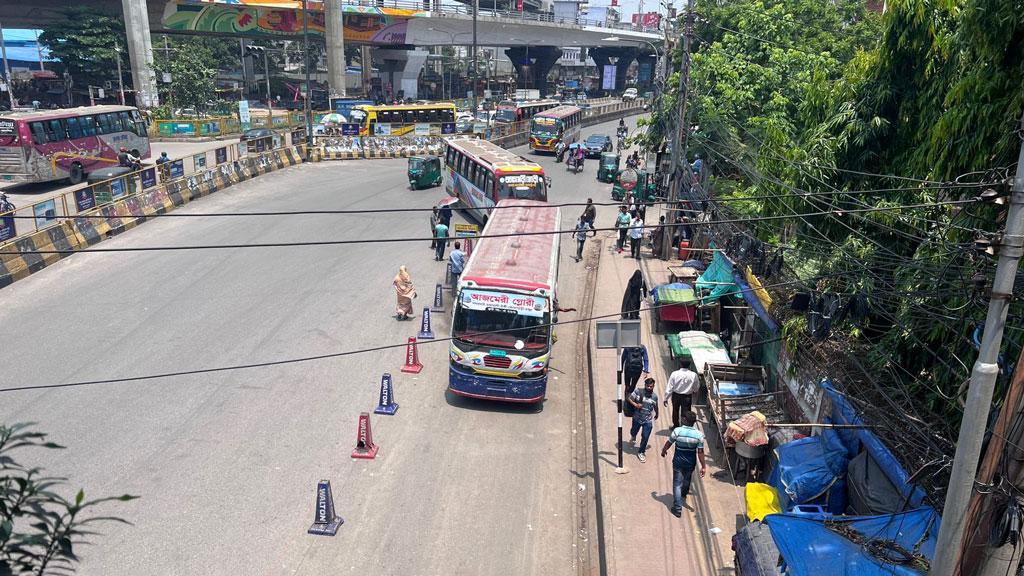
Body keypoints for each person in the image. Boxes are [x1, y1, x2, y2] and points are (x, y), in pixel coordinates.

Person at [661, 411, 706, 516]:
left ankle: (677, 509)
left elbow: (669, 442)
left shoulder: (677, 431)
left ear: (685, 420)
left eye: (682, 418)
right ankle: (683, 494)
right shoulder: (699, 435)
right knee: (687, 479)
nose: (681, 419)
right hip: (690, 462)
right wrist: (703, 466)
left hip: (678, 461)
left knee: (677, 484)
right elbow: (700, 452)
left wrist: (664, 450)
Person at [628, 377, 660, 463]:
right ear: (645, 385)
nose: (649, 388)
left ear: (653, 386)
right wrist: (635, 405)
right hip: (637, 418)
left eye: (651, 386)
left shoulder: (654, 397)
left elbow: (655, 406)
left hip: (647, 420)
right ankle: (633, 436)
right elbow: (630, 398)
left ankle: (641, 452)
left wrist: (657, 414)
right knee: (634, 431)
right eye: (648, 386)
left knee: (645, 437)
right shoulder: (638, 391)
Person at [620, 344, 649, 416]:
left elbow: (623, 358)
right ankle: (631, 403)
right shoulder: (642, 347)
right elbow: (646, 359)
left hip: (628, 369)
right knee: (633, 386)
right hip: (637, 370)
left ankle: (627, 403)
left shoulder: (627, 347)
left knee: (627, 386)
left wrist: (620, 369)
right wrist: (645, 370)